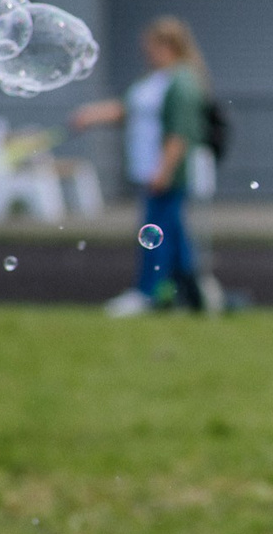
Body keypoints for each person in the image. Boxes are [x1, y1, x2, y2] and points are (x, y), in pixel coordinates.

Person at [73, 16, 214, 316]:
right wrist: (91, 115)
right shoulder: (154, 79)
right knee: (173, 235)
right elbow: (127, 108)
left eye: (152, 47)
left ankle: (148, 291)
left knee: (159, 231)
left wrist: (163, 170)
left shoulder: (182, 81)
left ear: (169, 46)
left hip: (164, 173)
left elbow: (180, 133)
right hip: (148, 169)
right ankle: (190, 295)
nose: (147, 53)